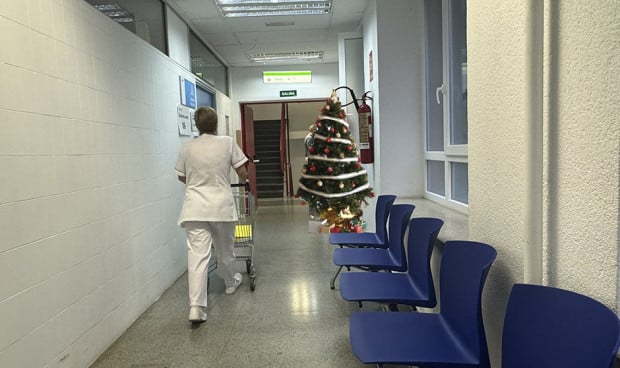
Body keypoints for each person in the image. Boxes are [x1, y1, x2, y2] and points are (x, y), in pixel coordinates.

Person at [175, 106, 248, 323]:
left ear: (196, 125)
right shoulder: (227, 143)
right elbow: (242, 171)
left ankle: (196, 307)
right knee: (225, 250)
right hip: (221, 207)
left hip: (194, 208)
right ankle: (230, 283)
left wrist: (198, 183)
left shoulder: (187, 147)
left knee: (197, 257)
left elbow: (181, 177)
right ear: (216, 123)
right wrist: (241, 181)